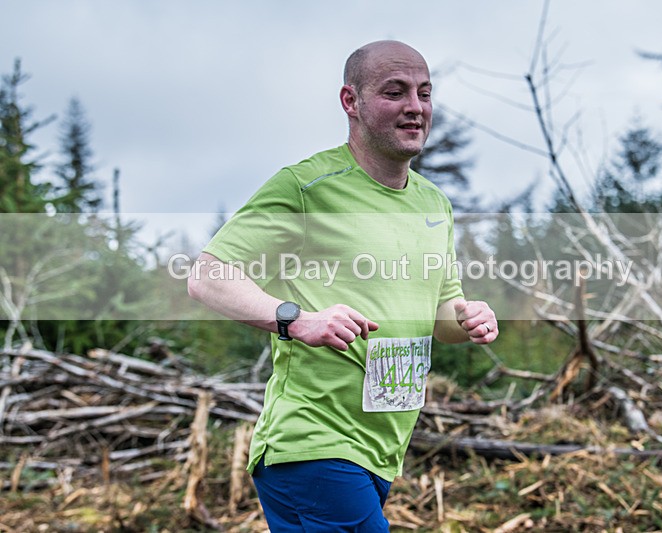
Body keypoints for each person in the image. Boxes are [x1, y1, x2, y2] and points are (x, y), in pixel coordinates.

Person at [188, 40, 498, 532]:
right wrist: (296, 320)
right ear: (351, 101)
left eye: (424, 93)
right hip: (314, 443)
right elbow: (208, 276)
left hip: (381, 450)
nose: (415, 107)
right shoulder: (306, 187)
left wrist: (469, 318)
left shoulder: (434, 203)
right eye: (394, 92)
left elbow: (443, 314)